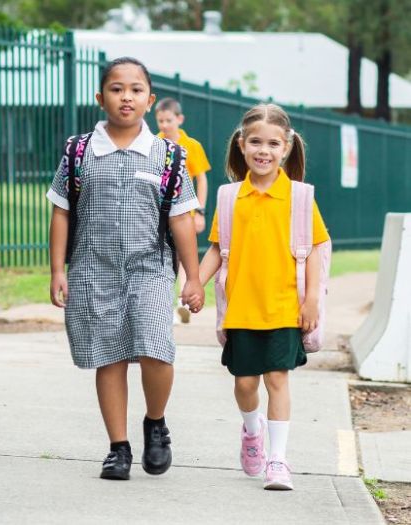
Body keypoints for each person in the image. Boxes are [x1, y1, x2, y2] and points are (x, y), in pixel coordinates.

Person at [46, 56, 204, 481]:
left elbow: (181, 219)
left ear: (150, 101)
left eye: (136, 90)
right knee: (109, 357)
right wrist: (57, 270)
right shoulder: (79, 152)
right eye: (117, 89)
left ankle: (156, 422)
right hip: (92, 270)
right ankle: (118, 448)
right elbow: (61, 211)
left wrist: (192, 276)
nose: (126, 97)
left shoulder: (168, 156)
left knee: (156, 348)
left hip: (149, 269)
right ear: (101, 98)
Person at [198, 103, 330, 490]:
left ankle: (278, 459)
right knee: (244, 384)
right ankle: (252, 431)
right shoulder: (228, 197)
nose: (264, 150)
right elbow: (217, 249)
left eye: (273, 143)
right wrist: (196, 284)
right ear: (241, 144)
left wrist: (311, 302)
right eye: (255, 141)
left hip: (284, 306)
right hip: (241, 308)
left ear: (286, 147)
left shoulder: (300, 197)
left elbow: (318, 248)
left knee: (277, 379)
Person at [155, 98, 211, 324]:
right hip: (159, 213)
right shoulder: (153, 143)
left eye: (169, 120)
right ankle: (160, 305)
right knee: (162, 258)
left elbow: (201, 180)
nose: (164, 125)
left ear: (179, 119)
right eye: (160, 120)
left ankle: (183, 304)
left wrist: (200, 211)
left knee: (183, 258)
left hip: (183, 213)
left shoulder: (192, 146)